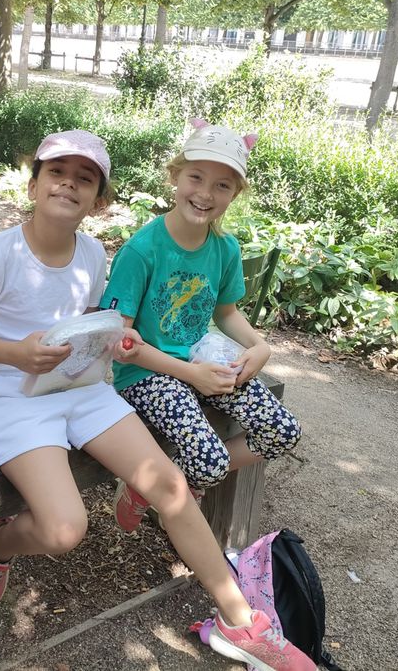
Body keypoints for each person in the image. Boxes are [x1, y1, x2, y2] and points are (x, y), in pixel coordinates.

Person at [0, 130, 315, 671]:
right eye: (57, 172)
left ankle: (240, 621)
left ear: (99, 198)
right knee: (65, 530)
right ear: (35, 180)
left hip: (83, 387)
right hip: (13, 395)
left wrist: (120, 341)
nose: (69, 183)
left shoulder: (92, 251)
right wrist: (16, 353)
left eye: (84, 178)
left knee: (173, 487)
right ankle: (0, 547)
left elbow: (101, 328)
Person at [101, 120, 301, 531]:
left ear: (235, 193)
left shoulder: (224, 248)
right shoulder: (142, 250)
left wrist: (259, 346)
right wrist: (192, 375)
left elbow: (226, 312)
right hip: (147, 373)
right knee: (210, 462)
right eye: (196, 177)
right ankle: (176, 484)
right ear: (175, 177)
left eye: (223, 185)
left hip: (202, 360)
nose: (206, 194)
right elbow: (119, 340)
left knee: (283, 432)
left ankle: (165, 484)